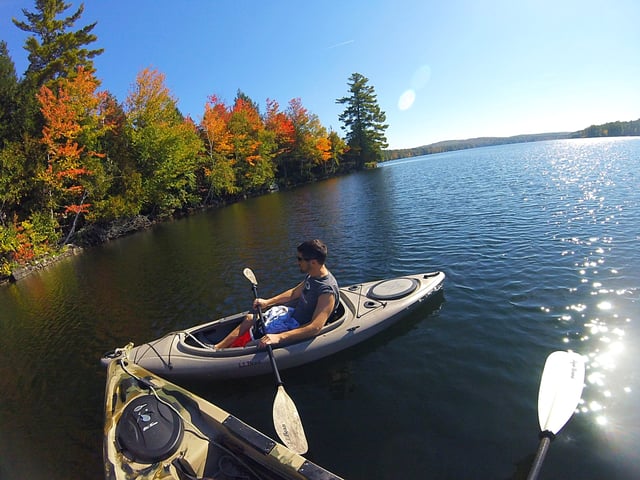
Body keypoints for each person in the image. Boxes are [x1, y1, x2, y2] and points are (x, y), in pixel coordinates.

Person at [215, 239, 340, 349]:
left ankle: (228, 355)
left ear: (313, 262)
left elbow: (315, 327)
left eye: (300, 259)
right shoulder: (313, 275)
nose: (297, 262)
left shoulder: (326, 291)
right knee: (249, 318)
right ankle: (217, 348)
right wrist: (267, 302)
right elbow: (293, 293)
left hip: (298, 328)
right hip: (291, 316)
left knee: (254, 344)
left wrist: (279, 337)